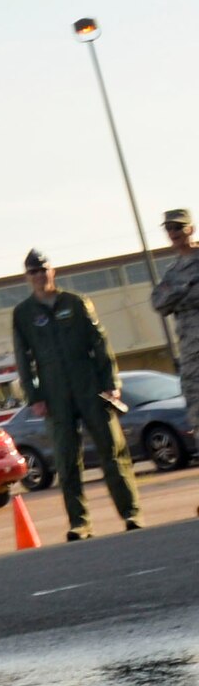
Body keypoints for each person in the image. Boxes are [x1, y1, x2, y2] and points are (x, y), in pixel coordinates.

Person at [11, 248, 143, 538]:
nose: (39, 276)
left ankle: (130, 513)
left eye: (43, 269)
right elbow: (24, 358)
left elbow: (100, 343)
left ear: (52, 271)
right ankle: (79, 523)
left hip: (90, 387)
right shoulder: (23, 314)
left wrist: (110, 381)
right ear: (27, 277)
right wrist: (35, 398)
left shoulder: (76, 302)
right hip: (55, 394)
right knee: (66, 459)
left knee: (112, 451)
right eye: (33, 272)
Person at [148, 208, 199, 517]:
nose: (175, 232)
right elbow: (158, 301)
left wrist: (178, 296)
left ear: (191, 228)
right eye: (169, 228)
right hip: (192, 361)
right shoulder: (171, 272)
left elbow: (170, 300)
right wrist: (186, 289)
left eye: (179, 227)